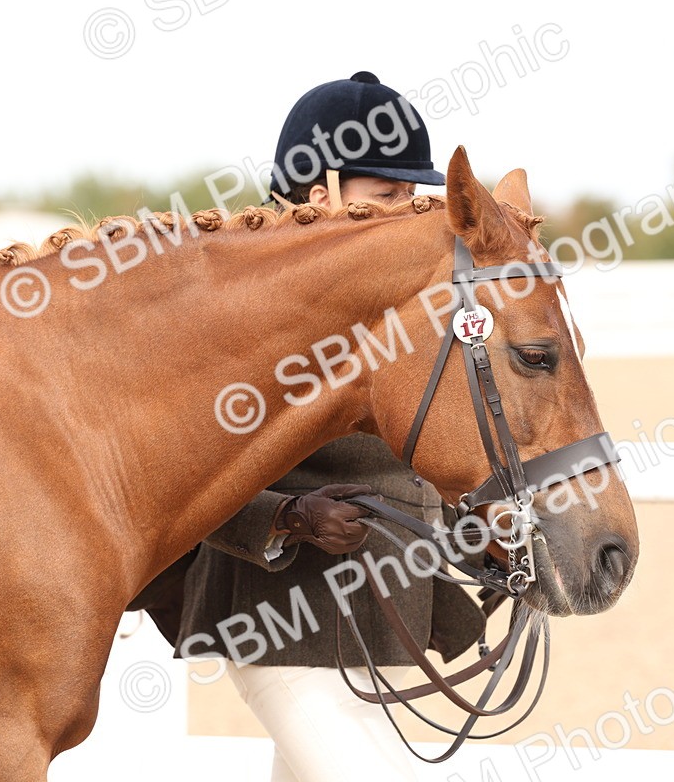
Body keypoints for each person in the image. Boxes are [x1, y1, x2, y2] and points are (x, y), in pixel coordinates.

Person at [130, 72, 487, 782]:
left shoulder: (407, 299)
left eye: (410, 196)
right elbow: (180, 469)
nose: (407, 211)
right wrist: (286, 514)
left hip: (390, 610)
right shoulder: (239, 306)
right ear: (320, 191)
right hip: (272, 610)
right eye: (386, 196)